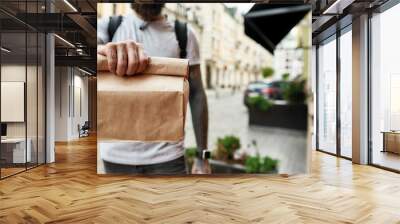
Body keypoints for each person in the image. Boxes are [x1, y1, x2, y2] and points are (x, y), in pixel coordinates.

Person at [97, 3, 210, 174]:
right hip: (115, 157)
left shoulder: (184, 34)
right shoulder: (108, 26)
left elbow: (197, 94)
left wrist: (203, 156)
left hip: (169, 157)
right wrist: (101, 51)